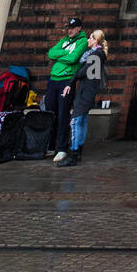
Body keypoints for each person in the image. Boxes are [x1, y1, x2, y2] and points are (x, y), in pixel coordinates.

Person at [56, 29, 108, 168]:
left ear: (96, 40)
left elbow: (82, 72)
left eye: (90, 38)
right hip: (86, 92)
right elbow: (89, 75)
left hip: (86, 93)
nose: (88, 40)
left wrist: (70, 83)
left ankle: (73, 154)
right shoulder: (96, 55)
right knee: (81, 121)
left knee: (75, 121)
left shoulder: (96, 55)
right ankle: (77, 152)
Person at [45, 17, 88, 163]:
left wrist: (60, 56)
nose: (69, 30)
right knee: (50, 113)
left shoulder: (83, 41)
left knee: (63, 114)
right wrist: (64, 54)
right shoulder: (64, 40)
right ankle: (50, 146)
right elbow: (51, 53)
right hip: (53, 80)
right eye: (68, 27)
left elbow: (73, 59)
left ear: (79, 28)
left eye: (72, 27)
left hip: (66, 80)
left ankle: (62, 148)